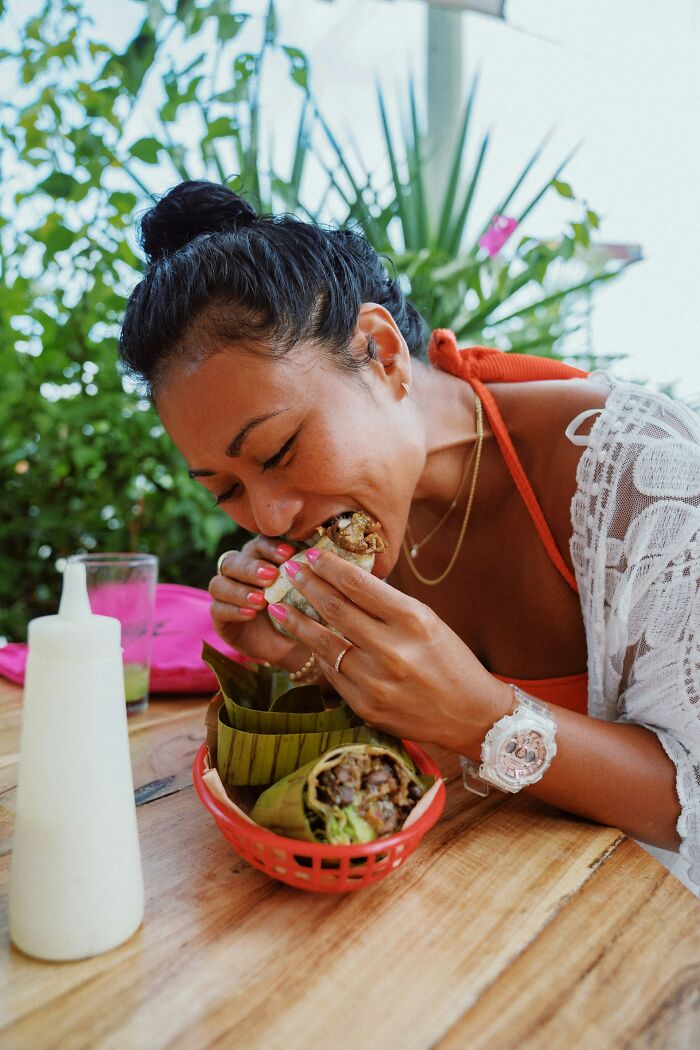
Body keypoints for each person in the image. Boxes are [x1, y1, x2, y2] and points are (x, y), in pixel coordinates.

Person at [119, 179, 700, 892]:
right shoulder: (345, 526)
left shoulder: (637, 474)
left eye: (277, 452)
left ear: (382, 353)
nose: (270, 518)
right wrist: (297, 665)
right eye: (227, 489)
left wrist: (484, 719)